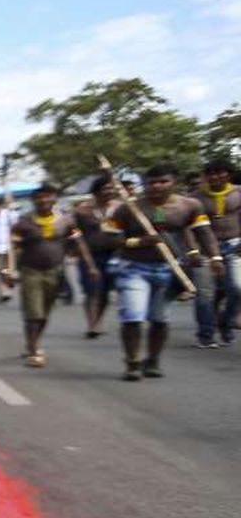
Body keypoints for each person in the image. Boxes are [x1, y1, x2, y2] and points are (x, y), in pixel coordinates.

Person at [100, 163, 224, 380]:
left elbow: (204, 232)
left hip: (170, 269)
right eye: (151, 182)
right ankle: (133, 363)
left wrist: (213, 257)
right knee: (133, 316)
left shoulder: (189, 206)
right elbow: (108, 239)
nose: (156, 186)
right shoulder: (128, 208)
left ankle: (153, 360)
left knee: (159, 318)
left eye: (163, 181)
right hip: (133, 268)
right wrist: (138, 241)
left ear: (175, 183)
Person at [2, 184, 85, 368]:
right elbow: (12, 249)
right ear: (34, 200)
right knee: (33, 312)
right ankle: (34, 350)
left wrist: (86, 260)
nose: (44, 200)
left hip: (56, 272)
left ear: (54, 198)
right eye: (40, 197)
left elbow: (77, 242)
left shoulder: (66, 221)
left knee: (44, 313)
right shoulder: (23, 223)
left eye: (48, 196)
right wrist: (8, 270)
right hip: (30, 271)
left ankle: (33, 341)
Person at [194, 159, 241, 347]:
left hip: (235, 246)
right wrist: (191, 251)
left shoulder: (238, 193)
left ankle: (225, 323)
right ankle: (206, 335)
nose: (215, 177)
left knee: (237, 289)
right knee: (205, 294)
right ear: (205, 176)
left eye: (220, 173)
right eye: (210, 173)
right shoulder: (195, 197)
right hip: (204, 249)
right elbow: (188, 226)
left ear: (228, 174)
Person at [74, 175, 125, 339]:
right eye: (105, 189)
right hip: (90, 255)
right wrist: (84, 258)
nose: (110, 192)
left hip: (115, 254)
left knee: (105, 291)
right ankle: (91, 323)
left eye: (112, 188)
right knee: (92, 290)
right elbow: (76, 235)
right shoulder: (82, 211)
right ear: (96, 192)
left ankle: (99, 320)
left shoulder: (121, 208)